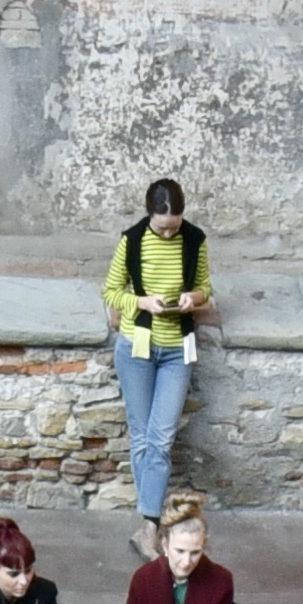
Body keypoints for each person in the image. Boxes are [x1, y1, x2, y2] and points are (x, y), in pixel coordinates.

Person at [102, 175, 207, 526]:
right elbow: (112, 292)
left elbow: (205, 287)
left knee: (161, 439)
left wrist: (192, 299)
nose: (168, 234)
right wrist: (143, 301)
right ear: (149, 215)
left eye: (173, 227)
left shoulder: (194, 241)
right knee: (143, 436)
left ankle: (148, 521)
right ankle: (151, 522)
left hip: (178, 347)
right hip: (138, 346)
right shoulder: (132, 241)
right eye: (161, 228)